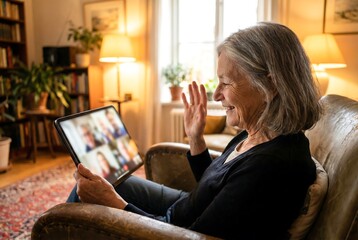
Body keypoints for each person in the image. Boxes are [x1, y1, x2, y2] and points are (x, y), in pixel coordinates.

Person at [67, 22, 321, 239]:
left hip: (178, 229)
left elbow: (195, 235)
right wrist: (196, 138)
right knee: (112, 182)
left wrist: (113, 204)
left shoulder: (271, 167)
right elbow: (219, 185)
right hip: (186, 209)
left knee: (92, 195)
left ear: (270, 85)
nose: (217, 94)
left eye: (226, 82)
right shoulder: (259, 133)